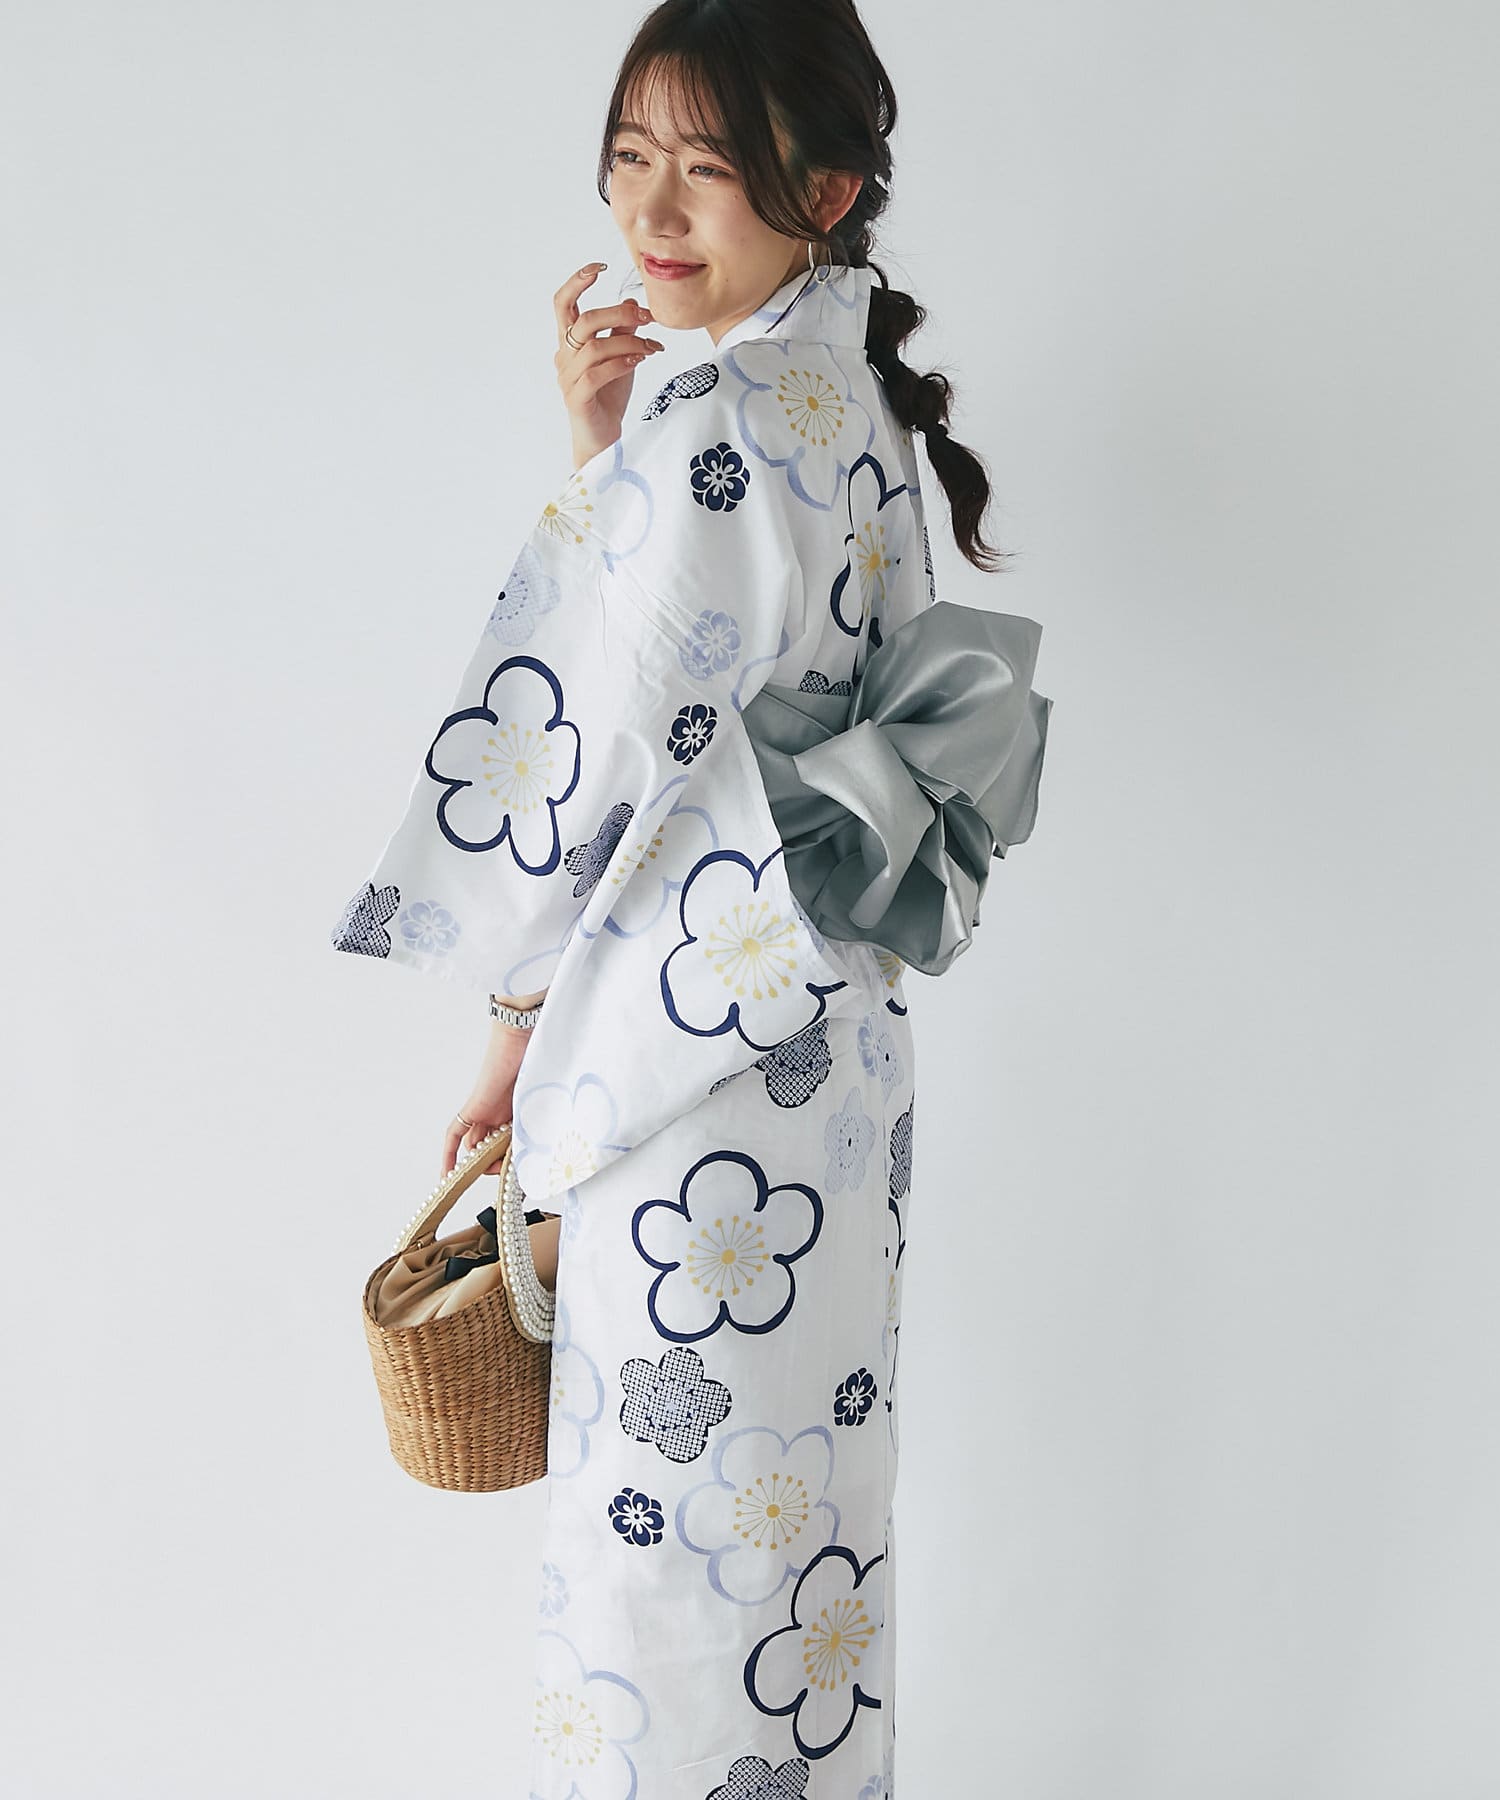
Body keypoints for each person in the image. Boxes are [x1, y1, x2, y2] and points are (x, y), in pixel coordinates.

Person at [331, 3, 1051, 1793]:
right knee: (802, 1542)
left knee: (662, 1578)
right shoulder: (852, 399)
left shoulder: (722, 411)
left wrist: (514, 1022)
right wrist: (613, 456)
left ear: (827, 186)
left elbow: (599, 759)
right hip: (828, 1065)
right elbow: (721, 667)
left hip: (691, 1073)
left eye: (706, 167)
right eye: (631, 157)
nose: (652, 209)